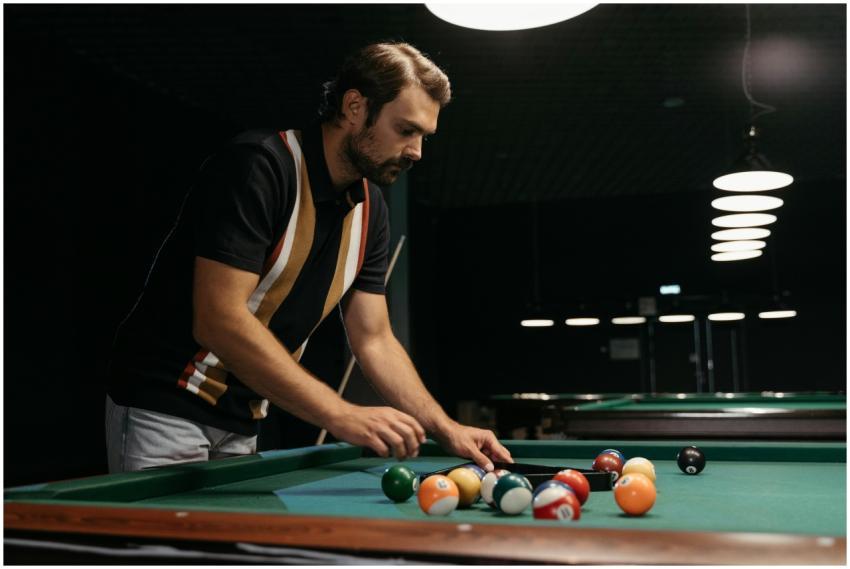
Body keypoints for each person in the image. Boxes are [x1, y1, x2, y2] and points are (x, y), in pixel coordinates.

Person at [106, 42, 513, 473]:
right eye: (405, 129)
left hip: (245, 419)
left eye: (423, 137)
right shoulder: (260, 167)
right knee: (166, 544)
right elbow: (218, 318)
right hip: (166, 406)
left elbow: (373, 338)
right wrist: (341, 414)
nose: (416, 151)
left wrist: (444, 426)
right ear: (354, 106)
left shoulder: (372, 211)